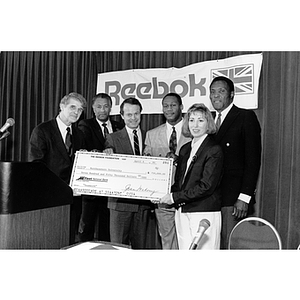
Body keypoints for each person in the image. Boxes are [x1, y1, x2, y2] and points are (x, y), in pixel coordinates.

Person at [155, 103, 223, 250]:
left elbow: (206, 186)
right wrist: (159, 193)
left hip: (204, 213)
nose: (195, 125)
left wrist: (173, 197)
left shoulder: (214, 149)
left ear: (208, 123)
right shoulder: (185, 149)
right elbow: (179, 183)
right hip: (183, 212)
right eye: (191, 120)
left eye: (201, 120)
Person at [209, 76, 262, 249]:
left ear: (231, 95)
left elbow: (252, 160)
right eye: (213, 92)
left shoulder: (245, 117)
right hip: (210, 198)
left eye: (221, 91)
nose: (216, 96)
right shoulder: (206, 120)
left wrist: (244, 197)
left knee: (231, 246)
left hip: (232, 199)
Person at [28, 92, 87, 244]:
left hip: (73, 200)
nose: (76, 112)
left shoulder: (79, 135)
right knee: (49, 240)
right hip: (48, 199)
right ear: (61, 106)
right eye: (72, 107)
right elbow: (36, 166)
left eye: (80, 110)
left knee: (69, 240)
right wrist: (58, 188)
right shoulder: (42, 130)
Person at [103, 97, 155, 249]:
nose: (133, 118)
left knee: (140, 249)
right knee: (118, 248)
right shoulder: (112, 138)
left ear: (141, 114)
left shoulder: (150, 136)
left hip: (143, 203)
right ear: (122, 116)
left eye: (136, 114)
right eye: (129, 114)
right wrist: (107, 154)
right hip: (120, 204)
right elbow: (107, 160)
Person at [144, 92, 191, 249]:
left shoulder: (194, 131)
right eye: (165, 106)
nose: (169, 109)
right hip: (163, 199)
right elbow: (147, 168)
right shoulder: (151, 135)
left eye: (173, 105)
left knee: (189, 242)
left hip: (189, 198)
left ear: (181, 107)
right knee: (168, 243)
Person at [78, 93, 124, 242]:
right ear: (93, 108)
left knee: (108, 225)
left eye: (106, 106)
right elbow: (83, 150)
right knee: (87, 224)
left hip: (113, 185)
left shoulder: (119, 126)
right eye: (99, 106)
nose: (102, 110)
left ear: (111, 107)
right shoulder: (84, 125)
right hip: (92, 183)